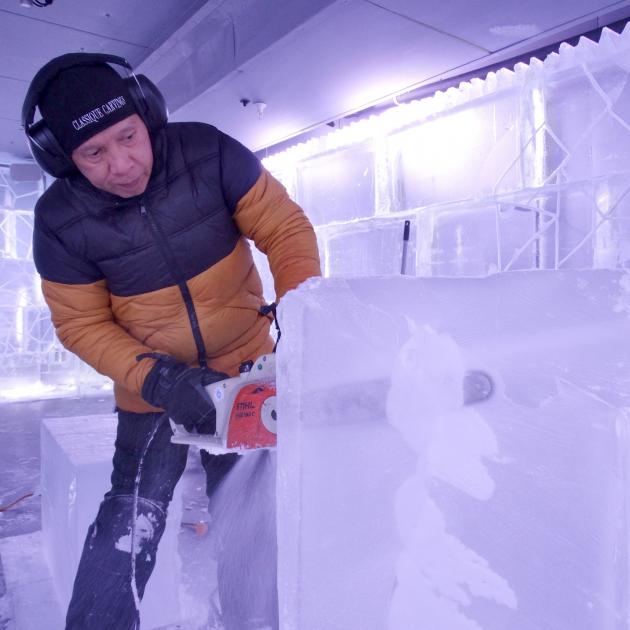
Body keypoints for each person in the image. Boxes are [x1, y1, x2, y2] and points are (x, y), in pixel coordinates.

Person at [23, 52, 321, 630]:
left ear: (147, 114)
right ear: (63, 159)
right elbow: (81, 324)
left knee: (254, 527)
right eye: (94, 153)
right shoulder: (60, 221)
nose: (122, 163)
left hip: (245, 377)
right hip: (152, 392)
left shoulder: (207, 152)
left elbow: (284, 229)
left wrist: (303, 314)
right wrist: (162, 379)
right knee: (126, 527)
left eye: (128, 137)